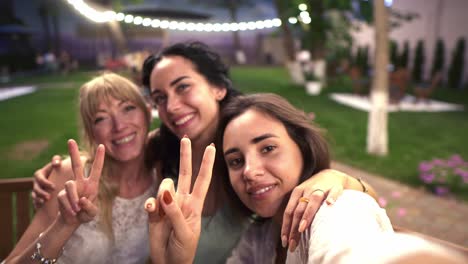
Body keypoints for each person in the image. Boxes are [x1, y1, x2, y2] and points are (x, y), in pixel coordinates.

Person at [30, 42, 379, 262]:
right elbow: (122, 142)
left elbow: (347, 218)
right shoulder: (157, 152)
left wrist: (338, 176)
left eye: (183, 87)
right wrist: (59, 169)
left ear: (217, 87)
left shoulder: (250, 149)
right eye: (160, 98)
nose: (172, 105)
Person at [146, 93, 467, 264]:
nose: (249, 170)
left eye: (268, 147)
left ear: (301, 145)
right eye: (235, 160)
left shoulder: (331, 209)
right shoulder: (258, 234)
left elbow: (357, 251)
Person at [4, 73, 156, 263]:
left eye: (128, 108)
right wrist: (63, 224)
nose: (119, 126)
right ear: (91, 133)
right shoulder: (69, 176)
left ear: (148, 113)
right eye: (101, 118)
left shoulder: (163, 172)